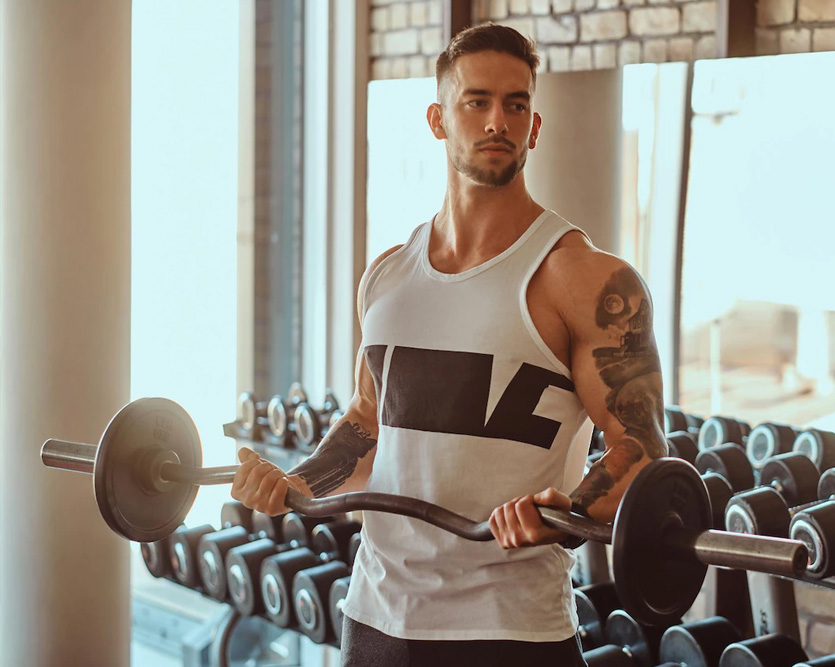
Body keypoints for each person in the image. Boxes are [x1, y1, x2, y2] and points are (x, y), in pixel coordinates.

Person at [231, 23, 668, 667]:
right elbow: (368, 424)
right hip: (375, 618)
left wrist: (567, 510)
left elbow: (643, 445)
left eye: (515, 104)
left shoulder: (584, 280)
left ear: (534, 127)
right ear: (438, 119)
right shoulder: (387, 276)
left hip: (510, 629)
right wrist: (294, 482)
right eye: (476, 101)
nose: (497, 121)